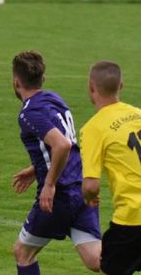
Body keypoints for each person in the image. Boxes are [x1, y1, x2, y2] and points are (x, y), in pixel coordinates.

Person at [10, 51, 101, 274]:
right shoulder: (54, 98)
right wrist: (36, 169)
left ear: (16, 82)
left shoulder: (29, 113)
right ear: (43, 79)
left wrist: (49, 184)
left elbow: (62, 145)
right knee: (97, 261)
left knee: (23, 253)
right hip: (80, 188)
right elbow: (66, 142)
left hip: (59, 195)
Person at [81, 60, 141, 275]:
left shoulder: (94, 128)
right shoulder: (139, 114)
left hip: (132, 217)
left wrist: (89, 197)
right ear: (121, 86)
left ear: (91, 87)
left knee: (111, 268)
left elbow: (91, 185)